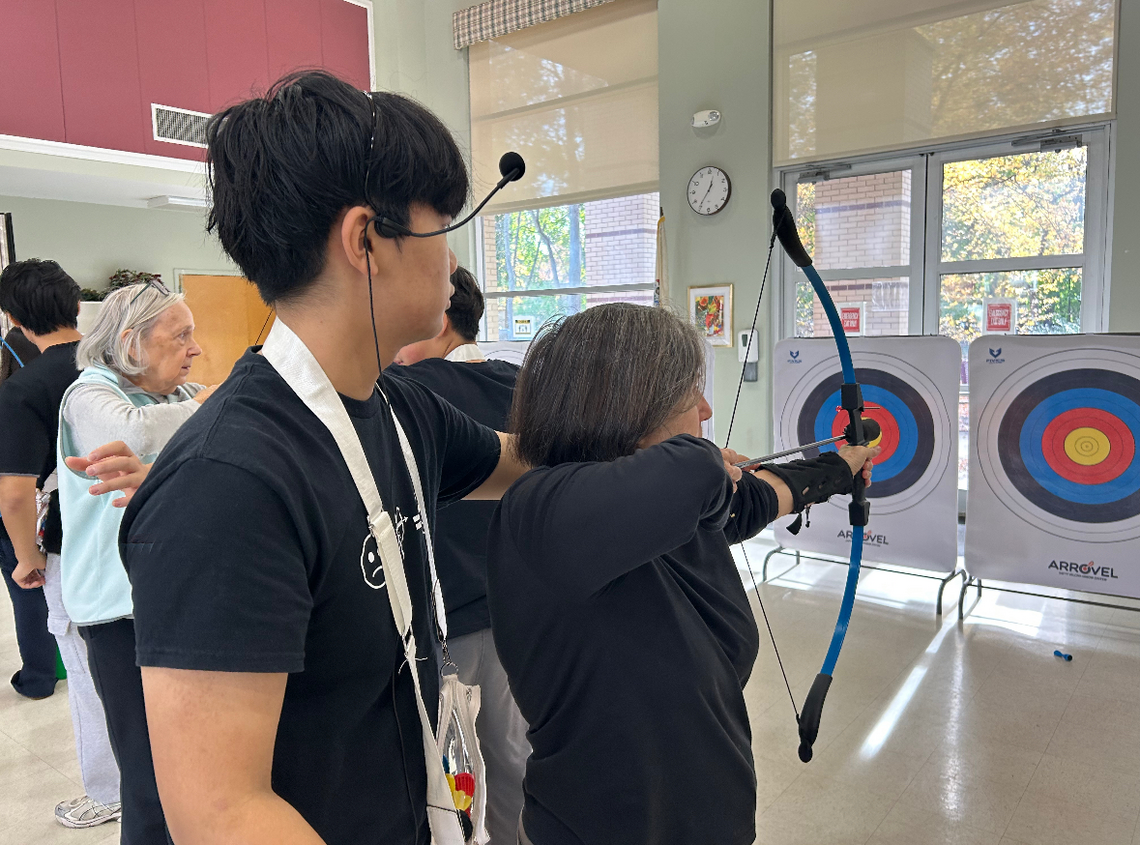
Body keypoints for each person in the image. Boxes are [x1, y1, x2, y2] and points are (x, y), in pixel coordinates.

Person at [116, 70, 529, 845]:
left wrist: (656, 434)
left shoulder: (400, 408)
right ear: (366, 239)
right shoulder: (229, 484)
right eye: (442, 224)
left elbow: (517, 460)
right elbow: (221, 813)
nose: (451, 259)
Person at [486, 304, 878, 845]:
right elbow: (692, 475)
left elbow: (755, 499)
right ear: (632, 404)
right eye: (691, 392)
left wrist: (840, 467)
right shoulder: (540, 511)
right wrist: (707, 463)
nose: (706, 407)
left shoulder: (672, 511)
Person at [58, 281, 214, 844]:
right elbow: (128, 434)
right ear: (130, 343)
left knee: (195, 769)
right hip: (119, 612)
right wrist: (211, 409)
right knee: (149, 778)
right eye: (181, 336)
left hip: (181, 597)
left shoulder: (175, 397)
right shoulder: (89, 395)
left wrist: (207, 407)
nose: (194, 349)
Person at [392, 266, 529, 842]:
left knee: (450, 774)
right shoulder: (523, 382)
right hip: (522, 611)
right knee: (516, 755)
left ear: (441, 316)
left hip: (446, 623)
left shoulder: (405, 393)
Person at [0, 259, 121, 829]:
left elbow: (17, 495)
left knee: (85, 662)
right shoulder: (117, 365)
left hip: (72, 546)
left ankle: (109, 788)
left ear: (14, 319)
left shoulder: (25, 387)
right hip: (137, 531)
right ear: (77, 307)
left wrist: (27, 560)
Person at [0, 323, 57, 701]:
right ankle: (44, 672)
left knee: (24, 586)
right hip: (30, 501)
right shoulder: (37, 393)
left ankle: (39, 674)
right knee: (34, 585)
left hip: (15, 500)